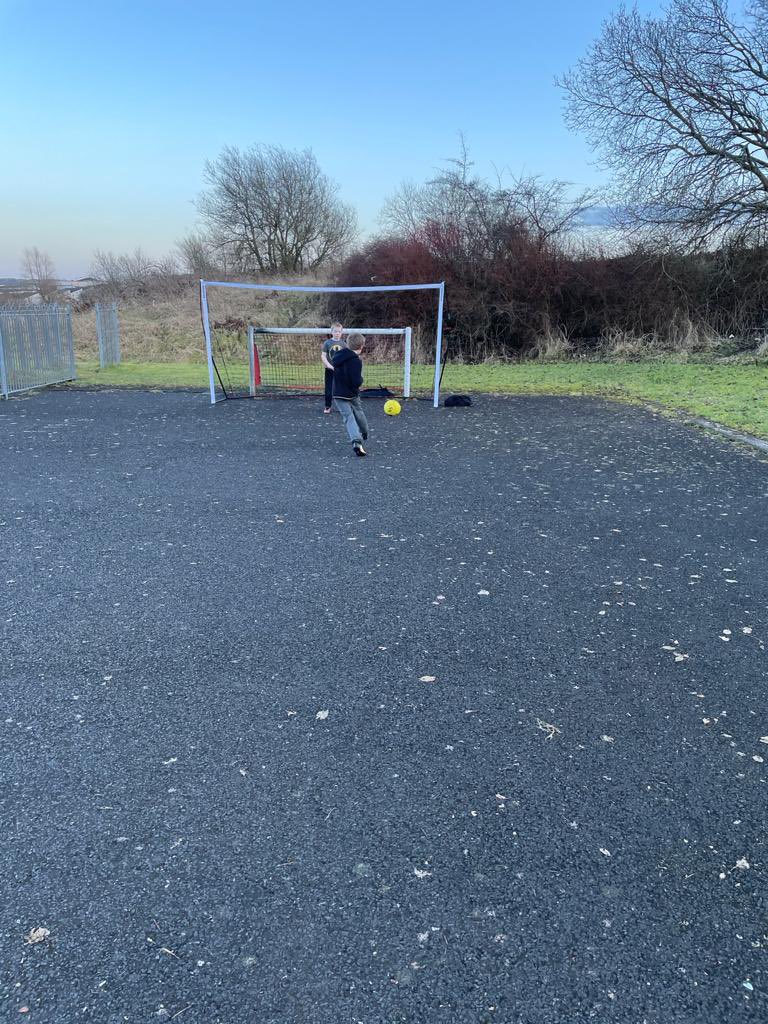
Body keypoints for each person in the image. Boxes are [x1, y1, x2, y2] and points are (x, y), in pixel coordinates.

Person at [331, 333, 369, 457]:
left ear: (347, 343)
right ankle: (364, 432)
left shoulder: (337, 356)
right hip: (352, 393)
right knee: (358, 411)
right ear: (362, 346)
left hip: (338, 392)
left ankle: (356, 441)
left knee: (348, 417)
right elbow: (356, 381)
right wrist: (360, 382)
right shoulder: (356, 361)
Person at [321, 322, 345, 414]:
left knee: (342, 388)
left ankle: (343, 407)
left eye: (339, 332)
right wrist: (329, 365)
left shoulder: (343, 343)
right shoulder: (327, 343)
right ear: (332, 332)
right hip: (329, 370)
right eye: (335, 331)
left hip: (340, 370)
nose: (337, 333)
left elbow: (346, 356)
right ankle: (328, 406)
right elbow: (323, 356)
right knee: (329, 388)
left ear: (341, 332)